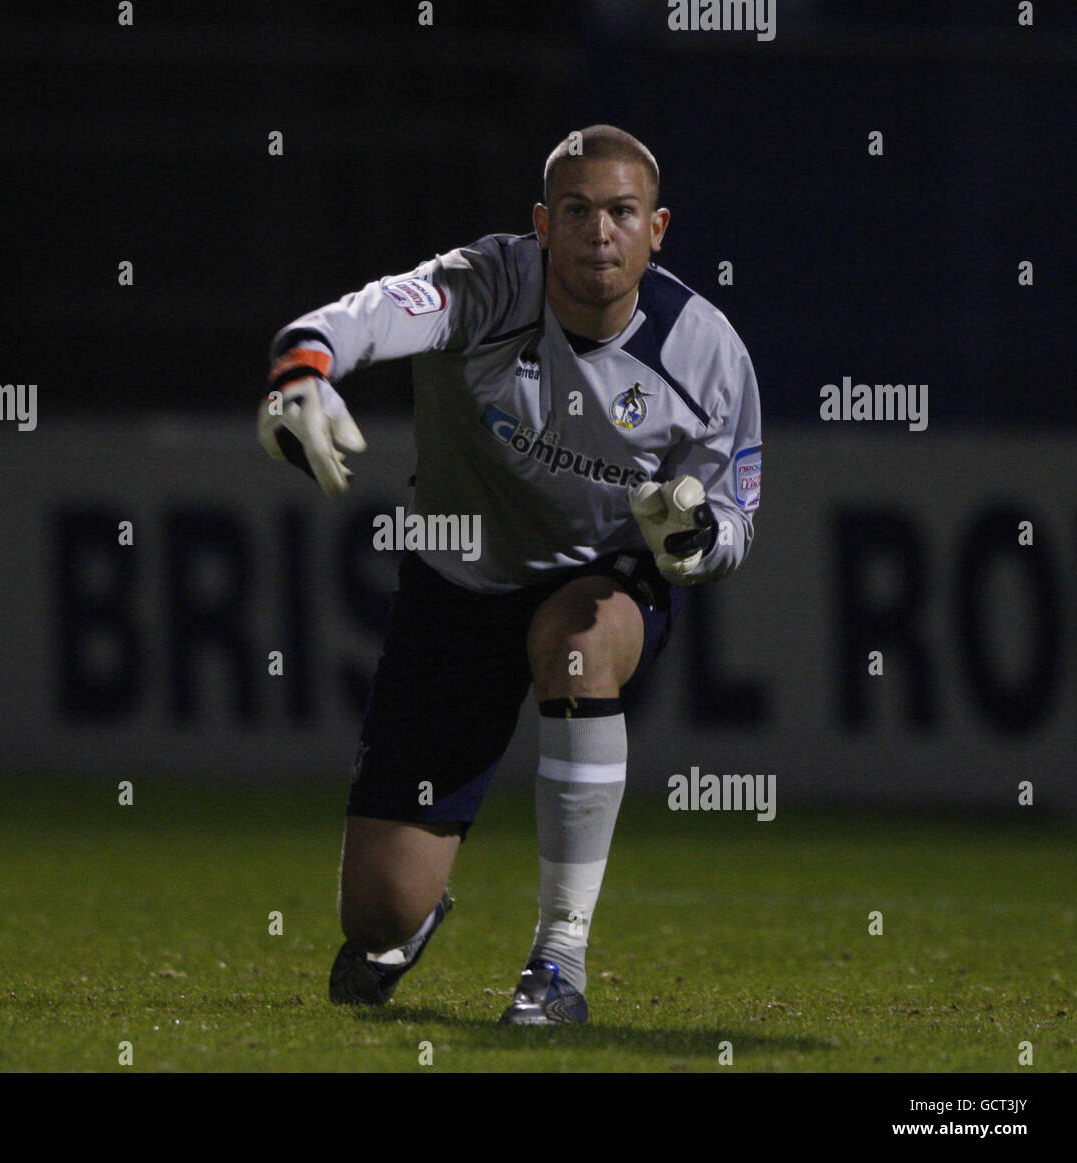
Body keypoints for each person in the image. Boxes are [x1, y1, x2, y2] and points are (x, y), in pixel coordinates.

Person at [258, 125, 762, 1024]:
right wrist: (306, 367)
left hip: (599, 580)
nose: (598, 233)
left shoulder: (708, 353)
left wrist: (693, 542)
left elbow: (732, 524)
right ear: (541, 224)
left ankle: (558, 965)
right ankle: (413, 918)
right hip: (457, 586)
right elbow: (366, 316)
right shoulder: (484, 283)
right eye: (575, 212)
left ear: (658, 229)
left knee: (571, 642)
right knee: (376, 914)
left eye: (620, 213)